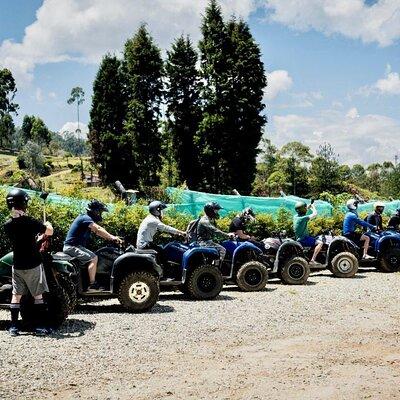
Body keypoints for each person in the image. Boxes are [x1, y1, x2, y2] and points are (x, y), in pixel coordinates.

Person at [4, 188, 54, 336]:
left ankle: (14, 327)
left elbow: (23, 239)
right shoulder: (30, 222)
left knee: (16, 295)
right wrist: (48, 224)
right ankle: (40, 327)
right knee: (38, 296)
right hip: (33, 264)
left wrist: (36, 239)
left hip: (17, 265)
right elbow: (49, 231)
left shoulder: (7, 225)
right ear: (23, 203)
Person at [63, 200, 122, 292]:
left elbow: (98, 232)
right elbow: (98, 229)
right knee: (93, 258)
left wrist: (110, 238)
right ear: (96, 211)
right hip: (71, 247)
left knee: (94, 255)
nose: (101, 214)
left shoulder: (86, 219)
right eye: (100, 212)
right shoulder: (85, 218)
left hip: (76, 247)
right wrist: (112, 237)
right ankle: (92, 285)